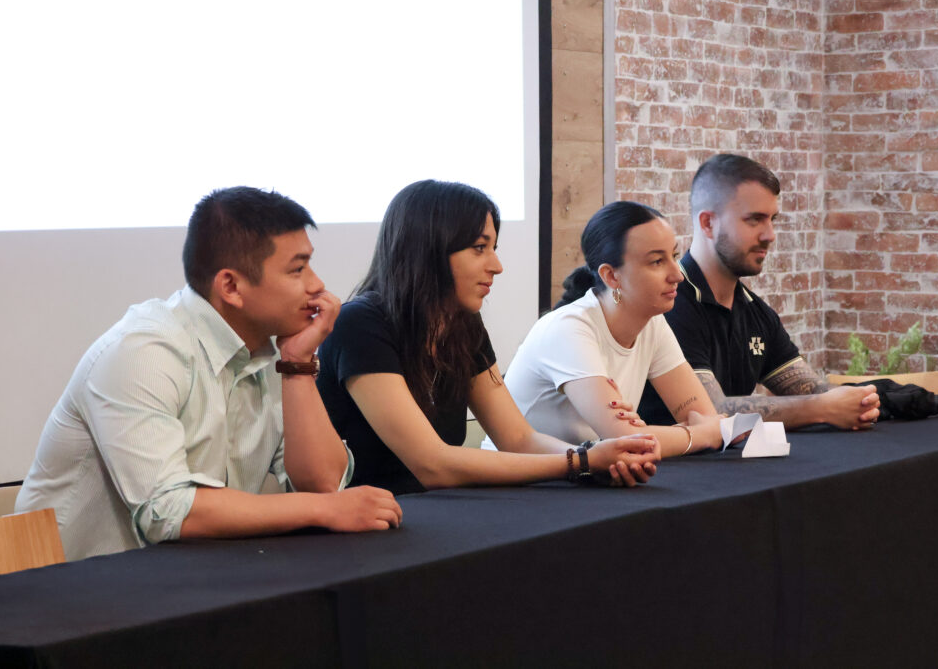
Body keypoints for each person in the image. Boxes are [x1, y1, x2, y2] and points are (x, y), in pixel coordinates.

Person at [16, 187, 402, 560]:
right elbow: (168, 510)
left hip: (191, 582)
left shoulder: (271, 353)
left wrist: (298, 365)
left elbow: (324, 485)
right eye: (297, 269)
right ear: (231, 286)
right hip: (67, 592)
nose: (317, 285)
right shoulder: (143, 351)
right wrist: (323, 511)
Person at [316, 180, 660, 495]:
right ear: (429, 249)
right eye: (479, 248)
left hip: (434, 513)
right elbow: (430, 465)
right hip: (365, 526)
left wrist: (595, 459)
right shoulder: (360, 324)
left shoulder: (462, 324)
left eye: (493, 247)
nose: (497, 265)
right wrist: (581, 463)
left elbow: (517, 438)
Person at [638, 154, 881, 429]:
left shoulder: (756, 313)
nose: (770, 234)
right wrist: (821, 407)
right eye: (754, 220)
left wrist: (867, 397)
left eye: (772, 219)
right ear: (707, 223)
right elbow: (710, 412)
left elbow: (812, 390)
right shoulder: (669, 306)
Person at [500, 201, 725, 456]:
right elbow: (627, 439)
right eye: (656, 262)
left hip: (580, 478)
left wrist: (698, 431)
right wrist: (700, 435)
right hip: (517, 485)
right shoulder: (568, 328)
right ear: (611, 276)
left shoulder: (653, 323)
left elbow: (701, 415)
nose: (677, 275)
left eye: (673, 256)